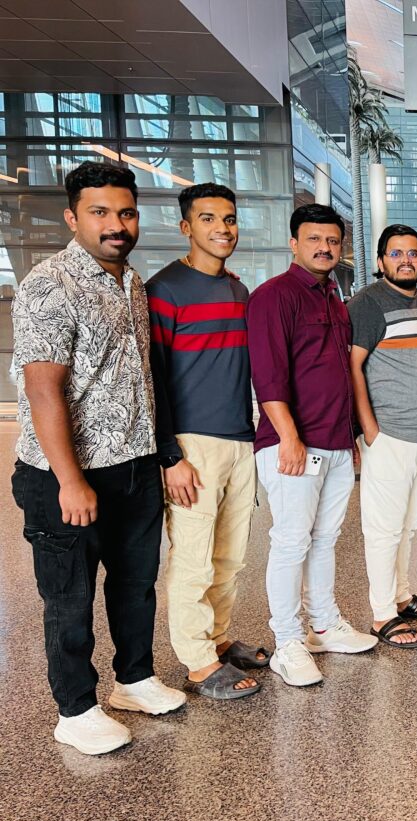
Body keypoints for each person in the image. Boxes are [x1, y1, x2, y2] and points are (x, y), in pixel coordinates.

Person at [11, 161, 185, 755]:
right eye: (100, 212)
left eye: (126, 212)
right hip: (66, 476)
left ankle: (133, 679)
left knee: (136, 584)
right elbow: (43, 390)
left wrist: (158, 456)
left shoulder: (130, 281)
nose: (116, 225)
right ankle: (75, 708)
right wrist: (70, 480)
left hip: (133, 465)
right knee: (70, 594)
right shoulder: (51, 284)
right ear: (72, 218)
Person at [247, 203, 376, 687]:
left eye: (332, 241)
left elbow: (338, 371)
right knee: (290, 542)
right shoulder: (273, 297)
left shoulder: (333, 297)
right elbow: (268, 375)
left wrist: (348, 438)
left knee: (325, 539)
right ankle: (287, 642)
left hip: (335, 442)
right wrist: (289, 437)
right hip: (294, 444)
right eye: (314, 239)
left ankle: (323, 626)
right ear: (294, 243)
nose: (325, 248)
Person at [148, 183, 265, 701]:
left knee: (230, 557)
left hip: (239, 438)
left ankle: (217, 640)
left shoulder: (239, 291)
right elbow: (153, 377)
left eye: (230, 219)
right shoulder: (164, 290)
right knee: (193, 558)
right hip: (192, 444)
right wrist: (170, 455)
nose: (223, 228)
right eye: (209, 218)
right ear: (186, 227)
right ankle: (197, 662)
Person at [349, 225, 417, 650]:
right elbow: (353, 366)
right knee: (384, 530)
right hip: (389, 435)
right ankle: (382, 614)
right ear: (381, 260)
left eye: (413, 253)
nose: (406, 260)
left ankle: (402, 596)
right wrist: (369, 428)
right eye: (396, 253)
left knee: (408, 526)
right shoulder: (368, 303)